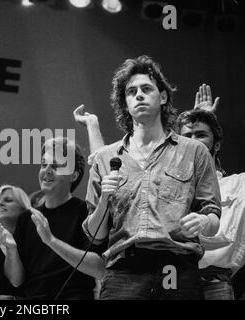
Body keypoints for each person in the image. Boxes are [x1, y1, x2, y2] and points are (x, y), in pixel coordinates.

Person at [84, 56, 222, 300]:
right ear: (125, 103)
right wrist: (105, 200)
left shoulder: (194, 151)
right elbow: (95, 236)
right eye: (131, 91)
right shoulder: (105, 158)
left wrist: (203, 222)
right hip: (123, 272)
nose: (139, 95)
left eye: (146, 89)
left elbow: (213, 217)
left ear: (163, 97)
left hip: (178, 267)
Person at [0, 137, 105, 300]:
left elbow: (99, 268)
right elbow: (16, 281)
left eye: (56, 166)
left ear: (74, 175)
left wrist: (51, 241)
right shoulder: (27, 219)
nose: (46, 170)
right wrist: (11, 250)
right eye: (43, 164)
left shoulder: (87, 213)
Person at [176, 84, 245, 300]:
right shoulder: (168, 186)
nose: (193, 142)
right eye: (187, 136)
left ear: (216, 146)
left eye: (201, 135)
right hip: (171, 278)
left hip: (215, 281)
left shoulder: (238, 184)